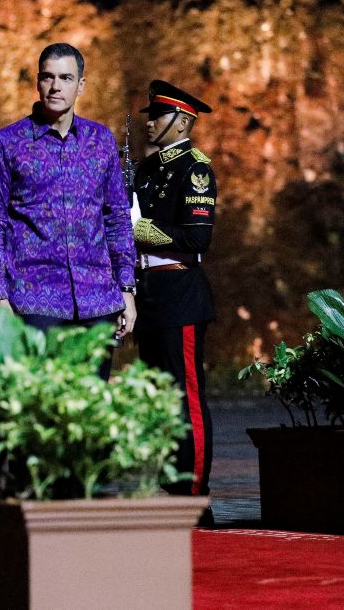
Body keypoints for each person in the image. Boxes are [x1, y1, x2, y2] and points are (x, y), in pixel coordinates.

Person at [0, 42, 136, 377]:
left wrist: (126, 287)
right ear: (37, 82)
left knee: (93, 409)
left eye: (66, 78)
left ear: (81, 85)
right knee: (45, 411)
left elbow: (118, 218)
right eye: (48, 77)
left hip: (98, 300)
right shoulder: (7, 144)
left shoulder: (101, 140)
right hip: (35, 299)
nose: (55, 86)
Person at [130, 79, 217, 498]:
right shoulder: (146, 170)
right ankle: (168, 487)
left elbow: (197, 239)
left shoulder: (194, 169)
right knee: (158, 399)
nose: (150, 124)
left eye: (159, 116)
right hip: (147, 292)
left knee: (186, 398)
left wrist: (143, 230)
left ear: (182, 122)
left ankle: (195, 493)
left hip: (179, 290)